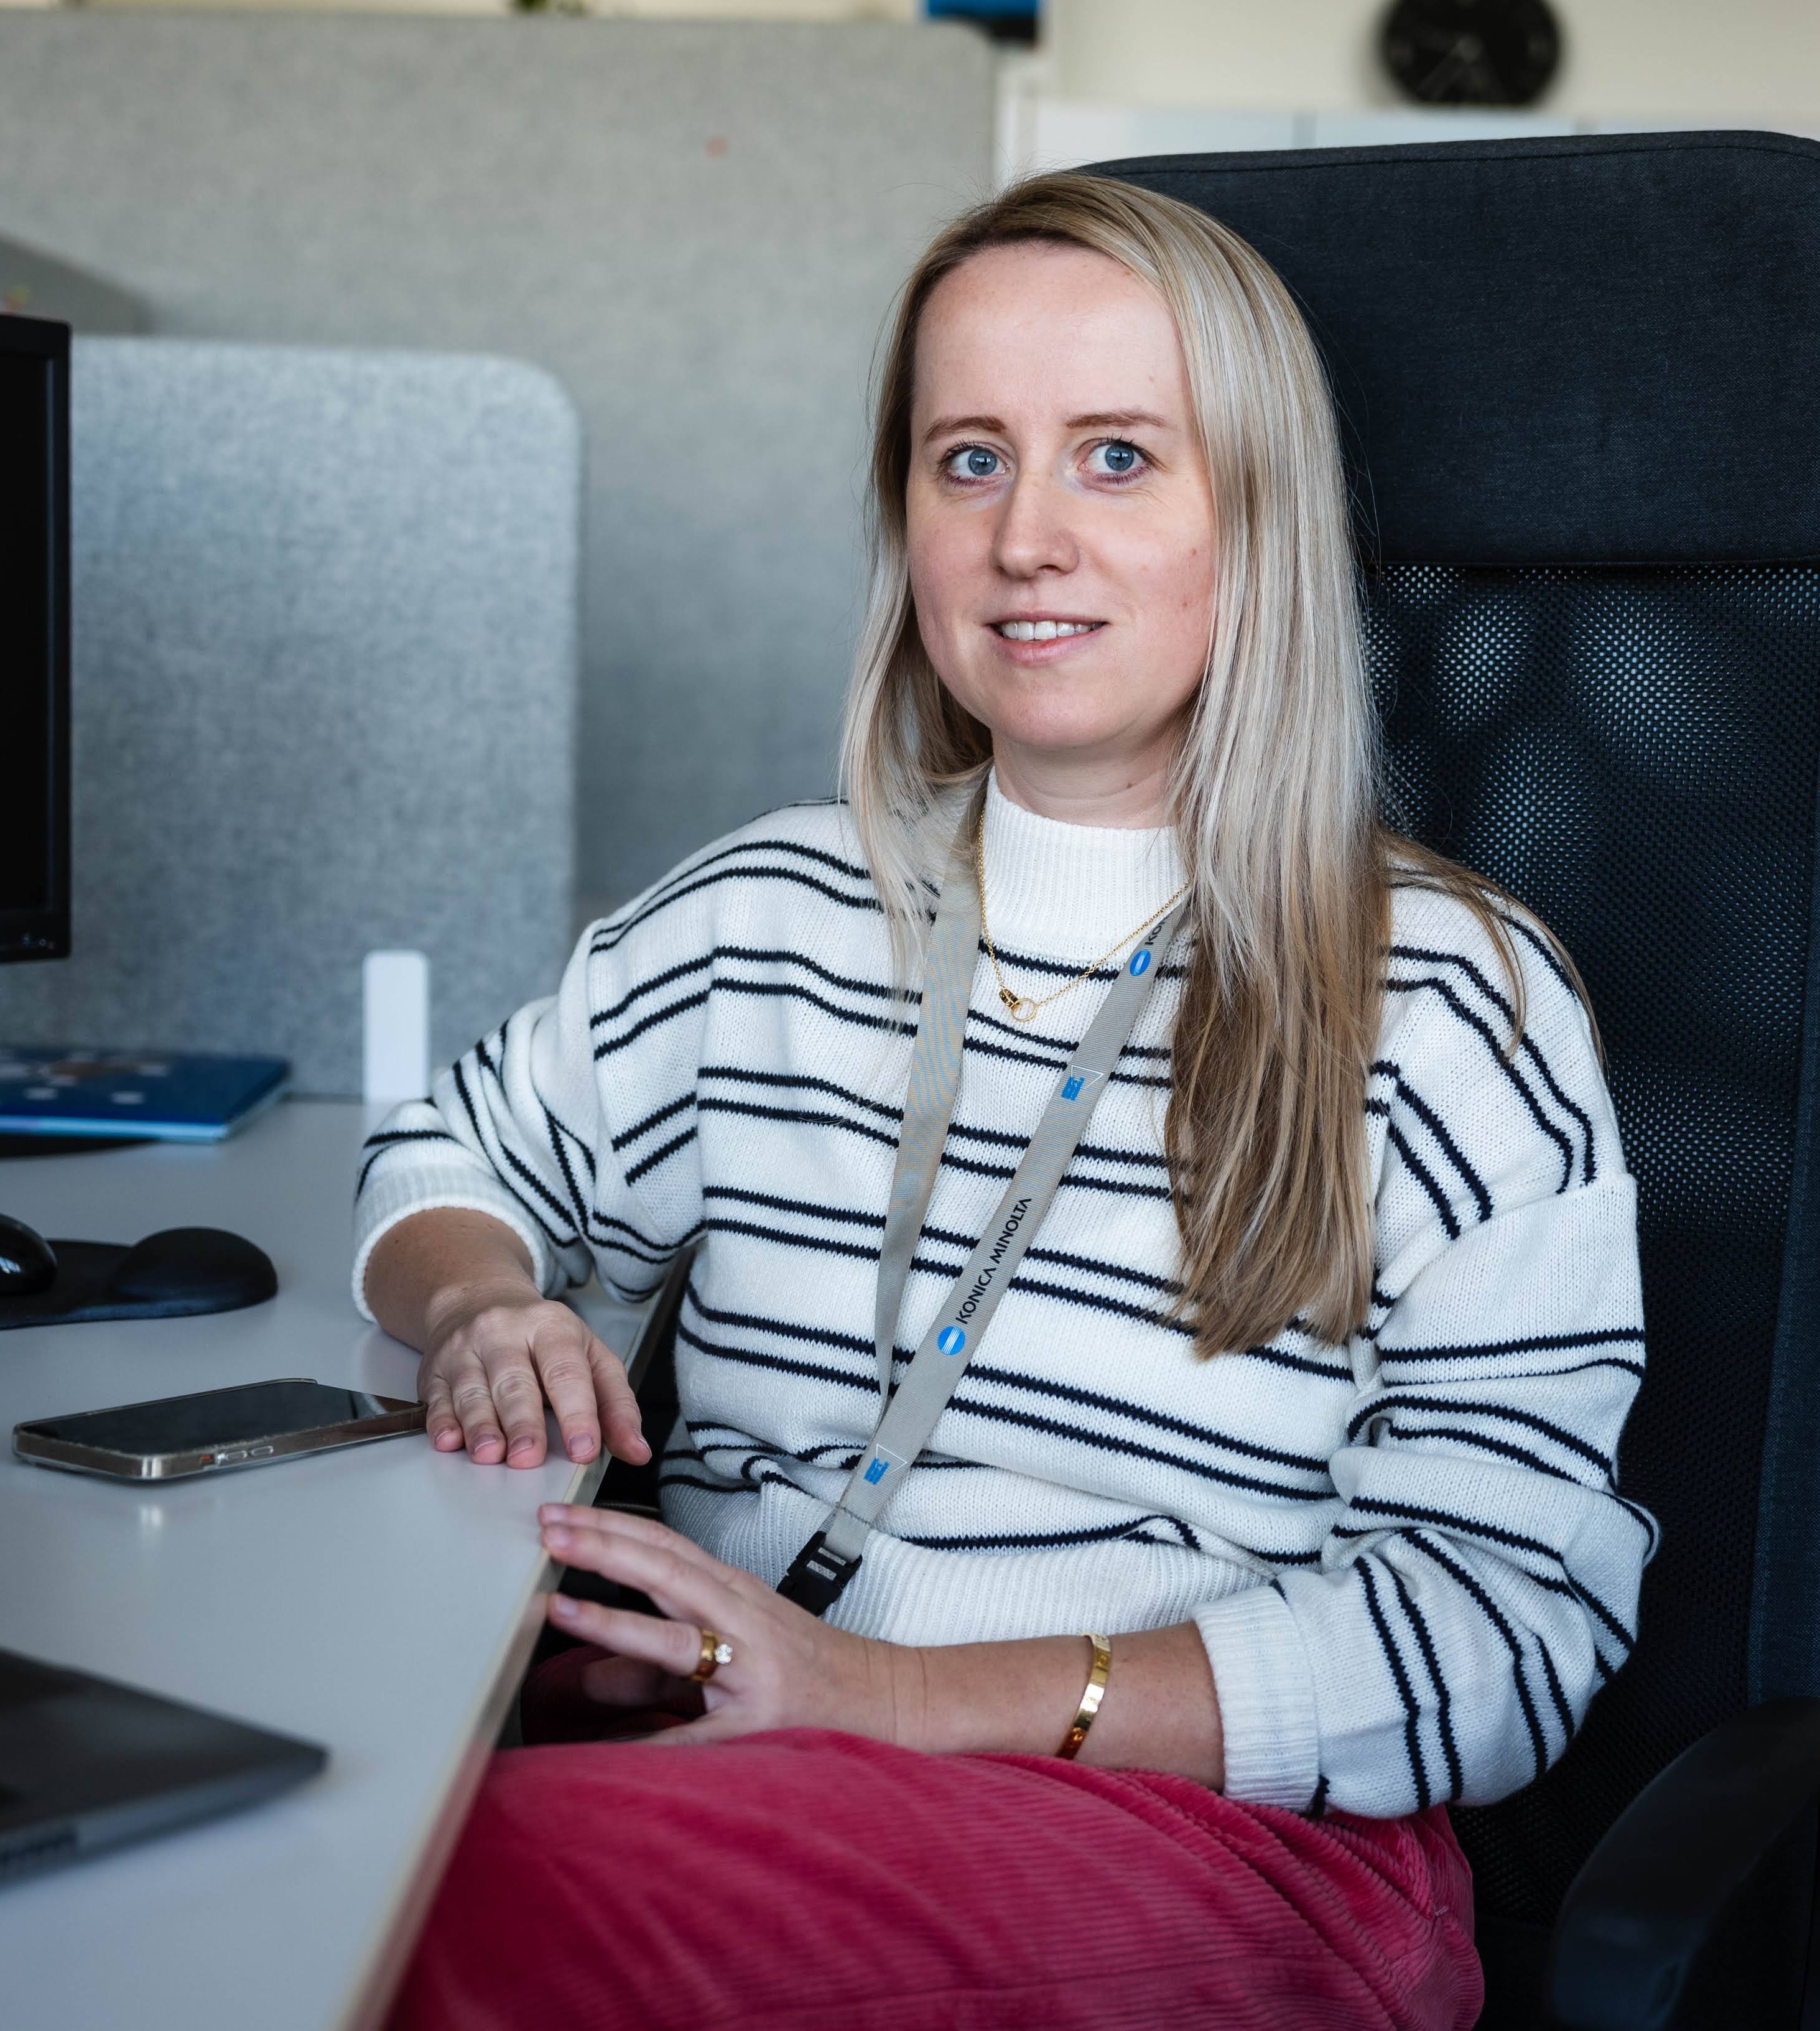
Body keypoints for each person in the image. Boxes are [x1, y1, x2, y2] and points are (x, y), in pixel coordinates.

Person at [355, 171, 1650, 2031]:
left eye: (1117, 459)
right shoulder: (768, 913)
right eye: (969, 460)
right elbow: (446, 1157)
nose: (1026, 537)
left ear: (1260, 518)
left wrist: (884, 1693)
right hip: (736, 1727)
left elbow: (1501, 1630)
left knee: (422, 1909)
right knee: (255, 1815)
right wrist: (482, 1304)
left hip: (1211, 1821)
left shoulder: (1447, 1001)